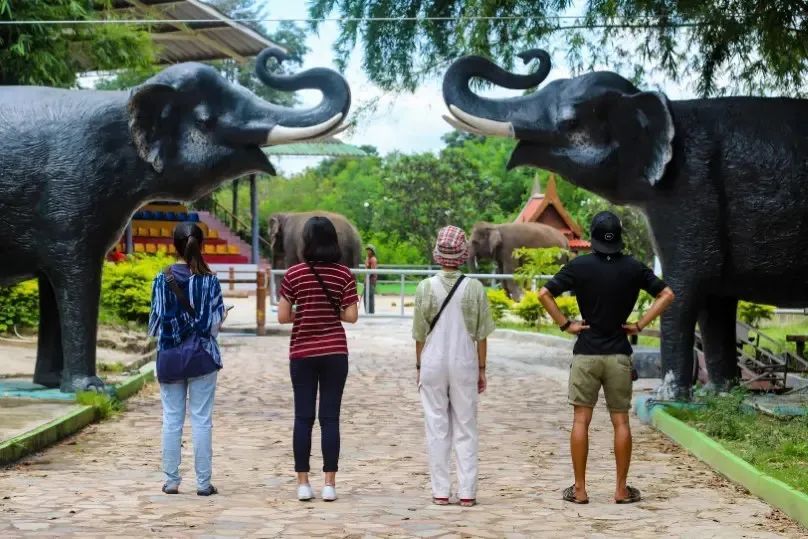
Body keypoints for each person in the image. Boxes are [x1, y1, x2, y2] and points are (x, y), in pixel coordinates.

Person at [538, 211, 675, 505]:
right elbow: (667, 294)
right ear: (619, 237)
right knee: (621, 422)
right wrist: (639, 325)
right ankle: (621, 489)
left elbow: (544, 294)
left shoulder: (580, 266)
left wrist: (566, 324)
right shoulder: (634, 268)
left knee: (580, 420)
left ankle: (580, 489)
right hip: (618, 355)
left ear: (593, 237)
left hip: (586, 352)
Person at [277, 216, 360, 502]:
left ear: (306, 241)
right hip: (335, 353)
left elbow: (283, 316)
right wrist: (330, 312)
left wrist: (307, 312)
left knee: (303, 418)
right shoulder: (344, 274)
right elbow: (351, 316)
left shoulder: (293, 274)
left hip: (302, 354)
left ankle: (303, 484)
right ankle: (329, 485)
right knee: (330, 419)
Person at [412, 225, 495, 507]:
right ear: (462, 255)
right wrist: (482, 369)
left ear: (439, 255)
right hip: (464, 361)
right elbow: (481, 334)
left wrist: (419, 367)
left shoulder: (425, 287)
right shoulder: (474, 288)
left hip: (432, 361)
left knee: (436, 426)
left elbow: (419, 335)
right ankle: (468, 492)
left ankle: (440, 491)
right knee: (466, 426)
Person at [148, 222, 226, 497]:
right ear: (200, 245)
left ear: (176, 246)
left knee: (171, 419)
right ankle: (203, 484)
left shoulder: (162, 278)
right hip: (202, 357)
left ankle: (171, 481)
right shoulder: (210, 280)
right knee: (202, 419)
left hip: (169, 356)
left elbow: (155, 324)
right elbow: (214, 324)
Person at [364, 245, 378, 314]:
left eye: (369, 250)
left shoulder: (373, 259)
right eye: (367, 250)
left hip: (370, 281)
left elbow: (372, 271)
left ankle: (370, 312)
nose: (368, 251)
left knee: (369, 297)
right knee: (367, 297)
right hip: (367, 281)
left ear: (372, 251)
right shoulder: (368, 258)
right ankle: (368, 312)